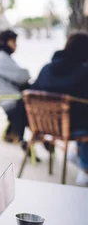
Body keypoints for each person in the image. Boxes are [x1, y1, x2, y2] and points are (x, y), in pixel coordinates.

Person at [31, 31, 88, 186]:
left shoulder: (46, 69)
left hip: (44, 126)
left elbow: (33, 92)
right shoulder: (83, 72)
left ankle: (80, 157)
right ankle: (85, 167)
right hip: (74, 127)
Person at [0, 30, 31, 144]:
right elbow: (23, 76)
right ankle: (25, 139)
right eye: (13, 42)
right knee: (36, 106)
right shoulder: (0, 58)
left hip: (4, 98)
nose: (16, 46)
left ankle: (14, 134)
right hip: (10, 100)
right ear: (4, 42)